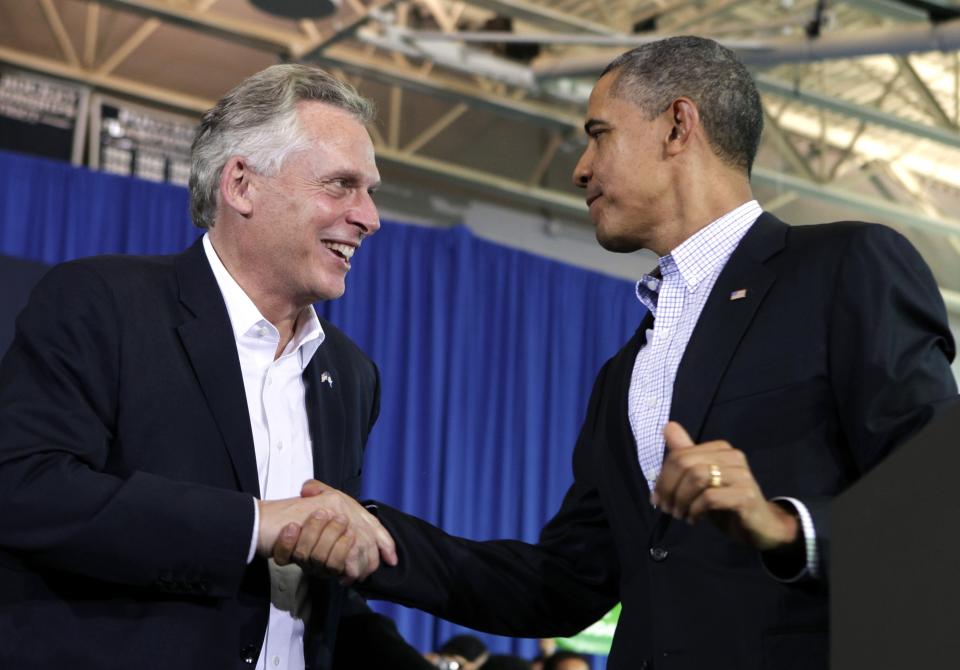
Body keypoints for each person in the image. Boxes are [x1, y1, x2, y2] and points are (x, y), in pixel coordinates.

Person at [274, 36, 958, 670]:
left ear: (678, 126)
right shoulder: (624, 373)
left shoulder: (845, 268)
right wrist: (376, 539)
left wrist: (782, 524)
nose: (579, 168)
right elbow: (561, 584)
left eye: (599, 134)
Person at [0, 64, 397, 669]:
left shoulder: (351, 374)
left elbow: (314, 600)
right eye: (341, 185)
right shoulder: (102, 303)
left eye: (370, 192)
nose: (369, 217)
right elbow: (26, 492)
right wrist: (255, 525)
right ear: (241, 184)